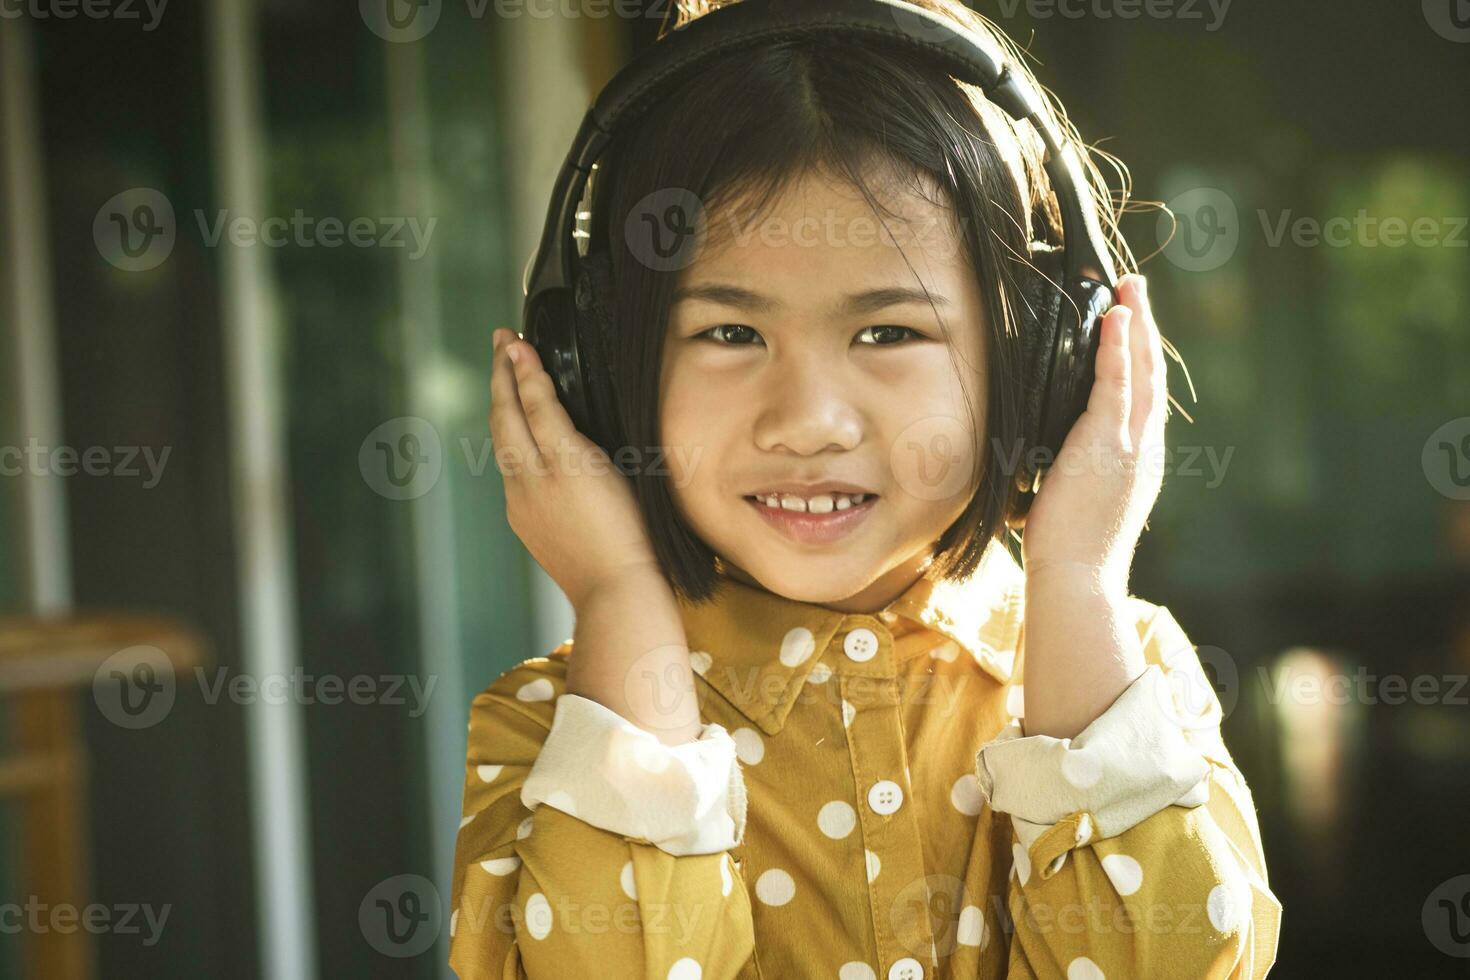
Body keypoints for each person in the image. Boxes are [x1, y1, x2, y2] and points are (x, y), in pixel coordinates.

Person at [450, 1, 1281, 976]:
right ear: (596, 368)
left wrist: (1076, 576)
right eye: (730, 332)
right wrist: (619, 591)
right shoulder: (554, 727)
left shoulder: (1129, 682)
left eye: (888, 332)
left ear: (1048, 361)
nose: (807, 419)